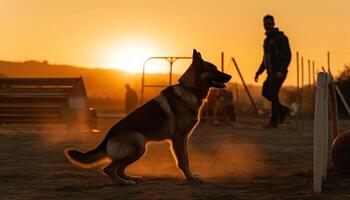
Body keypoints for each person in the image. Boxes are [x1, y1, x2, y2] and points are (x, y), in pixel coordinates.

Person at [254, 15, 291, 128]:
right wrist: (258, 72)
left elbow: (288, 55)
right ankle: (283, 110)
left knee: (274, 94)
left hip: (279, 72)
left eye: (269, 24)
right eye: (266, 24)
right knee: (266, 92)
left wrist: (281, 70)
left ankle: (274, 122)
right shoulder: (266, 40)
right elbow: (265, 59)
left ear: (274, 23)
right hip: (270, 73)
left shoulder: (281, 38)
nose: (267, 26)